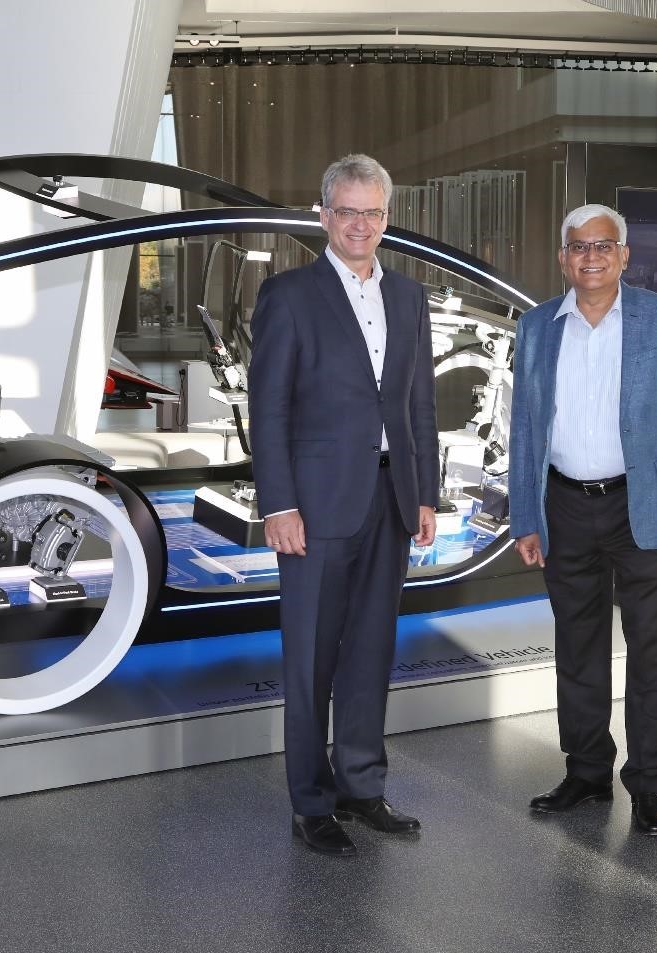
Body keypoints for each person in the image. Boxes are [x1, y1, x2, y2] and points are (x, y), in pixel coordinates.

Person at [249, 154, 438, 856]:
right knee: (310, 660)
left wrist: (425, 495)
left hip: (391, 500)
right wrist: (279, 504)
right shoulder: (289, 295)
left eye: (373, 212)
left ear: (387, 217)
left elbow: (420, 406)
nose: (360, 224)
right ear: (324, 215)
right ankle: (312, 802)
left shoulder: (410, 297)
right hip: (316, 506)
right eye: (348, 211)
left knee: (369, 651)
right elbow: (268, 409)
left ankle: (362, 786)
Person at [508, 203, 657, 836]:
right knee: (577, 647)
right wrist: (525, 515)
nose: (590, 257)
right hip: (564, 506)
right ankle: (587, 771)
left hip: (639, 506)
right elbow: (524, 429)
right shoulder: (537, 326)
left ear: (624, 256)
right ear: (563, 258)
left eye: (603, 246)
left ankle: (648, 785)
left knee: (651, 650)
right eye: (578, 246)